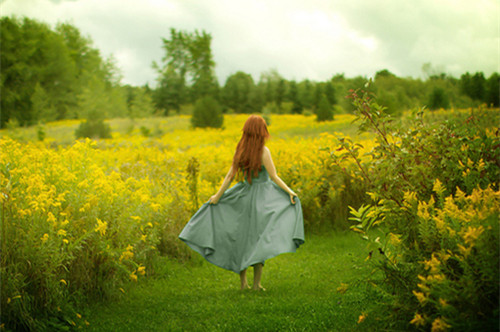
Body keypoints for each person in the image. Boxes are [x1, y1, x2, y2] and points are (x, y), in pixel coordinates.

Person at [179, 115, 304, 291]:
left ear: (246, 131)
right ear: (261, 132)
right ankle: (256, 284)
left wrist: (217, 197)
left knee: (243, 240)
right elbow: (274, 176)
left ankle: (243, 283)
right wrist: (290, 192)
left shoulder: (241, 150)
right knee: (259, 239)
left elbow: (230, 177)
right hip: (263, 199)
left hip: (243, 196)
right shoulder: (263, 151)